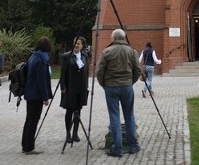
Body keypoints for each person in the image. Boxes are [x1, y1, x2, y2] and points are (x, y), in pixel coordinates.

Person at [96, 29, 142, 158]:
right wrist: (130, 82)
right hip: (126, 86)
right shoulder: (132, 51)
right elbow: (138, 70)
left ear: (113, 38)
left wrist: (104, 84)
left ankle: (118, 148)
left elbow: (99, 71)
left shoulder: (107, 51)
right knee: (129, 116)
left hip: (111, 86)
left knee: (114, 116)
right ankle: (133, 145)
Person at [21, 37, 53, 155]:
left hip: (30, 93)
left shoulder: (33, 56)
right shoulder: (42, 60)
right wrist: (45, 97)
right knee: (33, 120)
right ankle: (29, 147)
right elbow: (41, 80)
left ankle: (25, 144)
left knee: (29, 119)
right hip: (36, 95)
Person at [60, 36, 90, 143]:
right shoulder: (67, 56)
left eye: (78, 43)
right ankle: (68, 133)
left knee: (78, 110)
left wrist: (86, 85)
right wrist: (63, 87)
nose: (76, 45)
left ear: (82, 46)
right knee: (69, 110)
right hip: (70, 87)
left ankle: (75, 133)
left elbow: (86, 72)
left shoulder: (84, 56)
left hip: (80, 88)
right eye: (75, 43)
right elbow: (62, 73)